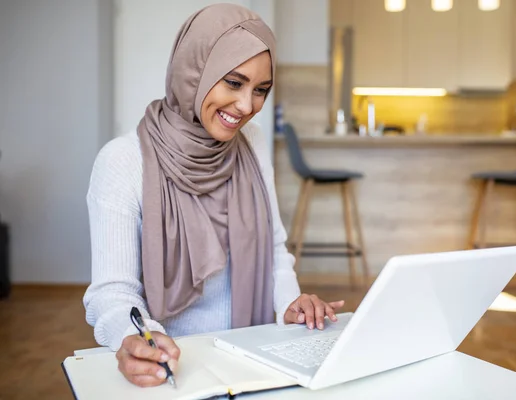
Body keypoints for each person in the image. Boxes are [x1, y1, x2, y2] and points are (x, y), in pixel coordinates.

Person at [82, 4, 344, 388]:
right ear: (194, 71)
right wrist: (135, 337)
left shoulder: (251, 145)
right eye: (234, 83)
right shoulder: (123, 161)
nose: (246, 106)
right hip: (175, 370)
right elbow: (113, 293)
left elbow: (273, 250)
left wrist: (289, 304)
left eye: (261, 90)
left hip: (251, 360)